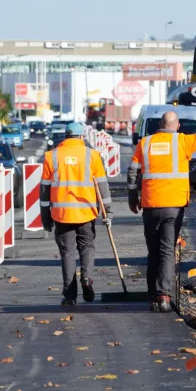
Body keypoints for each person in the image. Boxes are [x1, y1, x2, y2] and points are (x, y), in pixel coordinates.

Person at [127, 95, 196, 312]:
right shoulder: (183, 141)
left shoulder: (145, 143)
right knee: (167, 250)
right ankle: (164, 296)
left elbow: (132, 171)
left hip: (149, 206)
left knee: (154, 252)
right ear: (176, 126)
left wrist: (132, 197)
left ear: (159, 126)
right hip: (173, 207)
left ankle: (152, 297)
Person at [40, 122, 112, 306]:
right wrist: (107, 212)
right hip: (86, 212)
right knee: (87, 247)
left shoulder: (51, 156)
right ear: (82, 137)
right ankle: (87, 278)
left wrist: (45, 217)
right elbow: (102, 187)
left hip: (61, 214)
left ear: (66, 136)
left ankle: (70, 296)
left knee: (67, 253)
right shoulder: (92, 155)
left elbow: (44, 191)